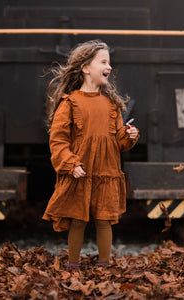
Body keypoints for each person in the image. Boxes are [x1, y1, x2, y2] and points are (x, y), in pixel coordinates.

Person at [43, 40, 139, 268]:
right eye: (103, 62)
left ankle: (105, 264)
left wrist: (130, 135)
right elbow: (58, 141)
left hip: (106, 171)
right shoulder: (70, 103)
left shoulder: (112, 105)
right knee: (78, 220)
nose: (109, 67)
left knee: (105, 220)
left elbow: (119, 143)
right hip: (81, 172)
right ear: (86, 67)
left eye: (110, 62)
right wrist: (70, 163)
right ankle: (73, 264)